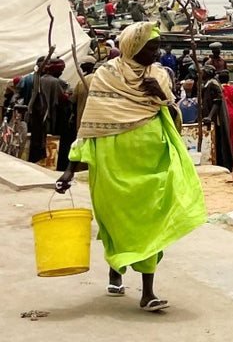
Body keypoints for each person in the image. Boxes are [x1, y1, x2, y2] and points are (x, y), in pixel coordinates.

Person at [54, 21, 206, 311]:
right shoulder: (106, 76)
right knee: (117, 226)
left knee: (150, 227)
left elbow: (173, 115)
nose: (156, 52)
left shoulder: (159, 74)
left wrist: (158, 94)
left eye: (157, 47)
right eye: (151, 47)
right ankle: (116, 270)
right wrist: (70, 170)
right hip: (112, 169)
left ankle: (148, 292)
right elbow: (90, 126)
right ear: (133, 47)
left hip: (153, 168)